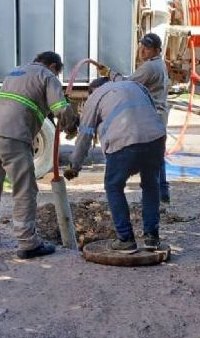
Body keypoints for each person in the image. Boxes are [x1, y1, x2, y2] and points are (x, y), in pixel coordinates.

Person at [0, 51, 77, 259]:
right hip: (13, 135)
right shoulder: (47, 76)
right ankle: (28, 242)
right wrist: (71, 125)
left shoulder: (15, 72)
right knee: (25, 189)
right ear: (53, 66)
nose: (56, 76)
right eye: (58, 72)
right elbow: (60, 108)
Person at [68, 78, 166, 253]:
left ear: (92, 90)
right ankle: (152, 238)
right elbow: (151, 112)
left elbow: (85, 134)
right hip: (156, 138)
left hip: (124, 143)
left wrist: (74, 165)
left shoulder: (95, 96)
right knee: (151, 184)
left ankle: (126, 239)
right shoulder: (135, 85)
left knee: (113, 186)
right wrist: (164, 188)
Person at [99, 32, 171, 202]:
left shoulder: (150, 67)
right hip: (159, 115)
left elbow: (128, 84)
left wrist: (110, 73)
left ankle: (157, 193)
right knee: (157, 155)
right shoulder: (159, 64)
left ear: (157, 50)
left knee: (150, 157)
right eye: (142, 47)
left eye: (147, 48)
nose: (143, 51)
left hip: (153, 115)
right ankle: (163, 192)